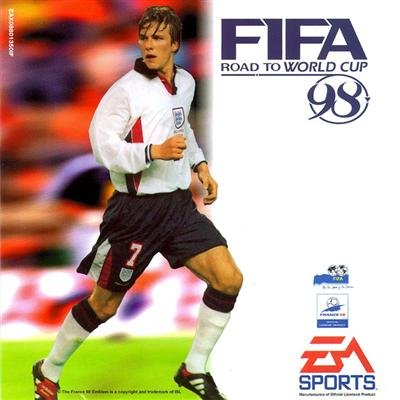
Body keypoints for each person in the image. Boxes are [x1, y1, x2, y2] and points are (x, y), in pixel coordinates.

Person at [32, 6, 243, 400]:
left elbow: (183, 129)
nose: (148, 44)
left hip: (178, 208)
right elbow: (103, 148)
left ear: (175, 44)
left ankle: (193, 368)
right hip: (135, 213)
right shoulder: (124, 92)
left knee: (228, 279)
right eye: (144, 37)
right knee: (103, 306)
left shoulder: (185, 82)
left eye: (158, 38)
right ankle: (49, 369)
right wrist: (152, 151)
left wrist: (200, 165)